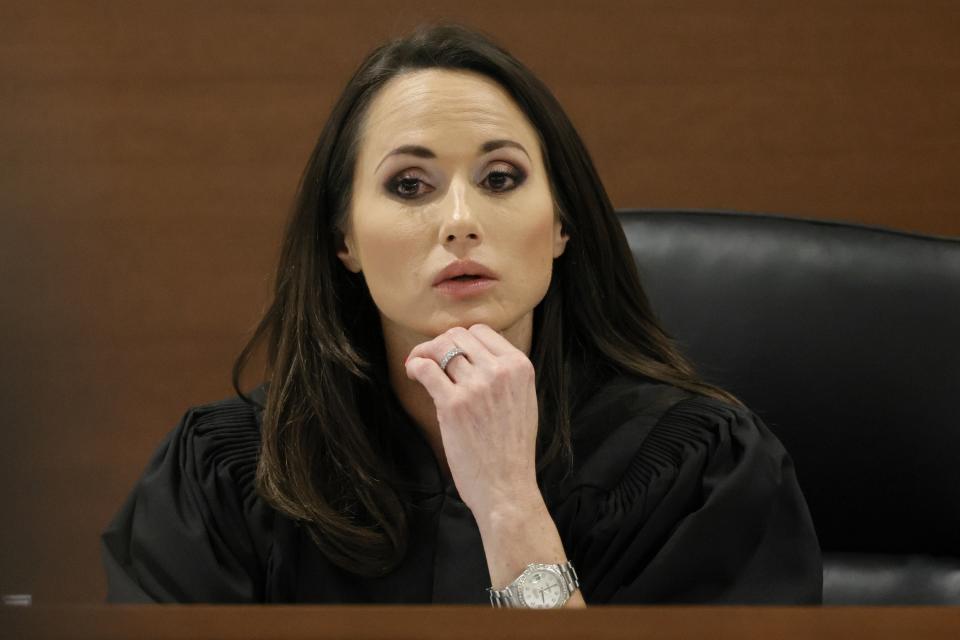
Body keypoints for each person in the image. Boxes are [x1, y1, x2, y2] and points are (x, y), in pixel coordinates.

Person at [101, 22, 822, 606]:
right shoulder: (221, 478)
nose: (459, 220)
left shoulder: (701, 467)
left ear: (561, 223)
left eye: (500, 178)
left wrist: (509, 502)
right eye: (409, 185)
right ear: (344, 239)